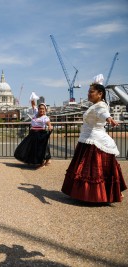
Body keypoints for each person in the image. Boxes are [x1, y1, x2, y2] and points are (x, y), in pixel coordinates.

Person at [62, 75, 126, 203]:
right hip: (87, 139)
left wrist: (109, 119)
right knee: (95, 169)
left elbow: (103, 113)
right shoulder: (95, 105)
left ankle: (95, 194)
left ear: (100, 94)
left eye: (91, 92)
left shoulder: (101, 105)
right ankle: (103, 193)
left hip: (94, 141)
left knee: (92, 170)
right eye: (88, 91)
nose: (89, 94)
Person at [14, 100, 53, 168]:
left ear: (45, 110)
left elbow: (49, 124)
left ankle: (41, 162)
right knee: (28, 146)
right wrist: (32, 99)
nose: (42, 110)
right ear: (38, 109)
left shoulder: (45, 117)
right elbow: (33, 105)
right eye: (40, 108)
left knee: (40, 149)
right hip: (32, 134)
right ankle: (33, 160)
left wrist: (50, 126)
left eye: (43, 109)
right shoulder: (35, 112)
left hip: (40, 134)